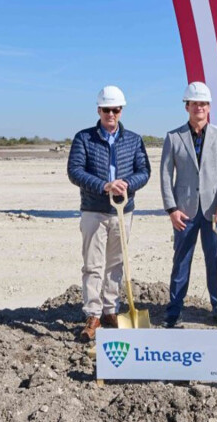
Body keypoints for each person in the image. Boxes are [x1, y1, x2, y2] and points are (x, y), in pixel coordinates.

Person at [66, 85, 151, 341]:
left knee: (116, 263)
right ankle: (93, 314)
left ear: (121, 111)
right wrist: (104, 186)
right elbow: (75, 171)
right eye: (106, 110)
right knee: (92, 265)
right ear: (99, 110)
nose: (110, 114)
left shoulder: (134, 140)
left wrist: (127, 184)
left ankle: (110, 310)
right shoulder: (84, 138)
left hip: (123, 212)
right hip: (94, 210)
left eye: (115, 109)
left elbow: (144, 171)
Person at [160, 82, 217, 328]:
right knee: (181, 261)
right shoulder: (173, 137)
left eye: (203, 104)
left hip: (214, 212)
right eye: (194, 104)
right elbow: (165, 175)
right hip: (184, 212)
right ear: (187, 107)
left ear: (209, 107)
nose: (199, 108)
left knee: (216, 261)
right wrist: (172, 209)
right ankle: (174, 310)